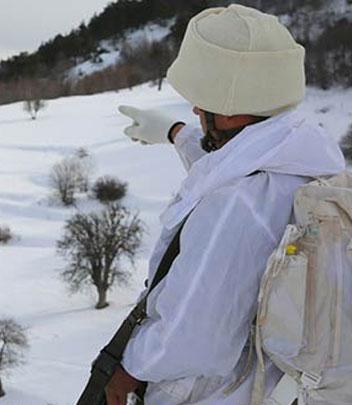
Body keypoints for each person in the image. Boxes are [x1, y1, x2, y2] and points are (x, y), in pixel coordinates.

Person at [109, 4, 345, 404]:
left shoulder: (234, 207)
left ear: (233, 106)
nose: (197, 110)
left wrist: (126, 369)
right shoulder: (306, 160)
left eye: (204, 101)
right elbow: (236, 170)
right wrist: (176, 134)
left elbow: (192, 337)